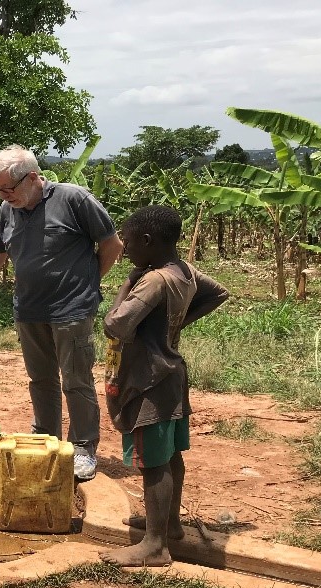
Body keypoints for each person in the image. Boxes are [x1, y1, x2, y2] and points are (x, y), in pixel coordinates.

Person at [0, 144, 123, 481]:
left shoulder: (74, 199)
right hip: (29, 309)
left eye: (8, 188)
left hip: (72, 309)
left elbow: (112, 245)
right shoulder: (8, 209)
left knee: (76, 380)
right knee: (41, 380)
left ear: (32, 177)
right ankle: (47, 439)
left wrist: (88, 282)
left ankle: (83, 448)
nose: (4, 196)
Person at [98, 205, 229, 567]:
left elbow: (115, 325)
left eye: (128, 242)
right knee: (170, 455)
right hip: (171, 375)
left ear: (147, 240)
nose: (124, 250)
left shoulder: (153, 281)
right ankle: (168, 525)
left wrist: (127, 284)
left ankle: (155, 546)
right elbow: (218, 293)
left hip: (147, 380)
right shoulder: (184, 271)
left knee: (153, 463)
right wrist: (177, 323)